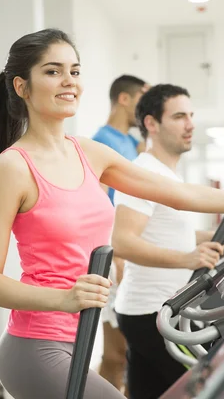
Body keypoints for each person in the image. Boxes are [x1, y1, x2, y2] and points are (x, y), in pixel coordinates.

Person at [0, 28, 224, 399]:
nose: (69, 82)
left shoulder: (88, 153)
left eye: (75, 71)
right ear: (21, 86)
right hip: (34, 347)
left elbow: (178, 194)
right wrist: (63, 299)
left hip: (79, 340)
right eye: (52, 71)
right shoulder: (13, 167)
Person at [111, 83, 224, 398]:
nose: (190, 124)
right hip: (150, 313)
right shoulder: (144, 174)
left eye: (191, 115)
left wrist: (212, 237)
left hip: (155, 310)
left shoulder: (165, 174)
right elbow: (123, 242)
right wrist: (187, 258)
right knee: (206, 389)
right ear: (151, 124)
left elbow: (163, 229)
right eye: (179, 116)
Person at [91, 74, 149, 395]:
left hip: (129, 252)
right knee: (118, 353)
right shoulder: (102, 141)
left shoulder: (130, 143)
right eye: (142, 98)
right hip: (115, 255)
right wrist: (118, 254)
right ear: (124, 99)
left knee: (118, 356)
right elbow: (99, 204)